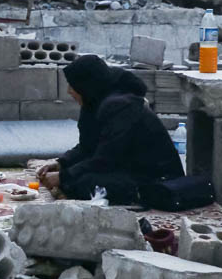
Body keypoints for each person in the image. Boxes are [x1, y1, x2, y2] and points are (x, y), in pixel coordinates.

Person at [37, 55, 185, 205]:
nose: (69, 91)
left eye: (72, 85)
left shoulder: (121, 106)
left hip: (157, 177)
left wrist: (63, 176)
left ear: (85, 85)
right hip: (126, 167)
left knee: (82, 183)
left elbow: (106, 158)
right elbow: (87, 146)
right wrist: (61, 163)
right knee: (75, 178)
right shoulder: (94, 101)